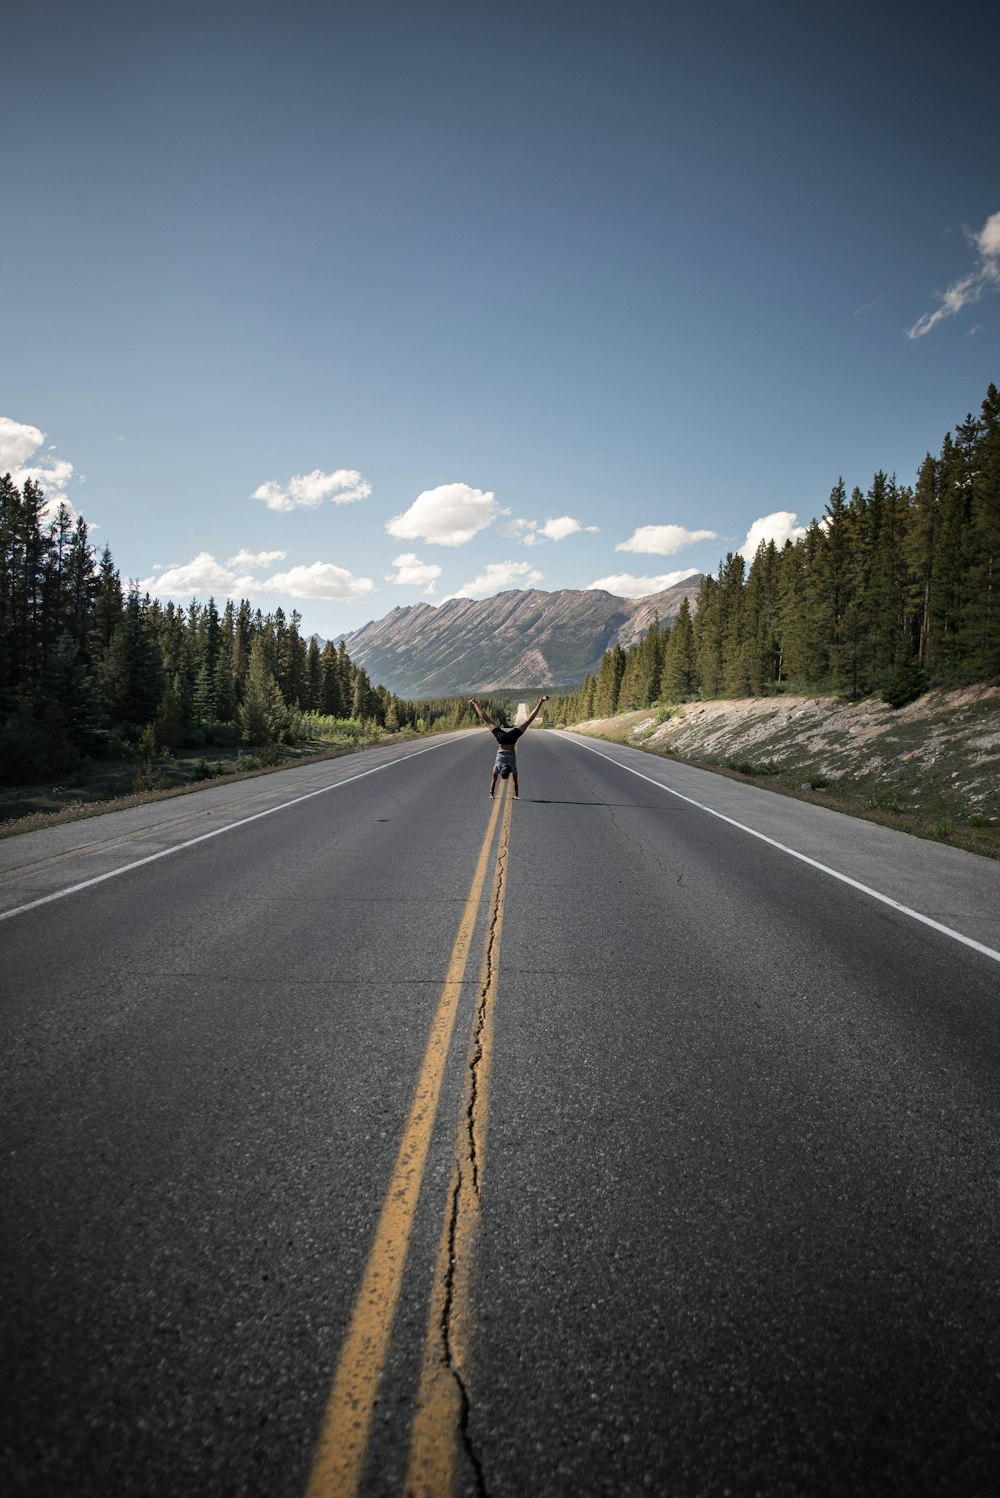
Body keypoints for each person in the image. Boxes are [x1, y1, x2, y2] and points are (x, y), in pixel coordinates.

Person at [469, 695, 549, 800]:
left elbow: (515, 782)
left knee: (527, 722)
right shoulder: (497, 767)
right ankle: (474, 703)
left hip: (511, 740)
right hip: (502, 740)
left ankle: (540, 702)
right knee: (488, 721)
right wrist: (491, 794)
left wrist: (515, 795)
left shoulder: (512, 768)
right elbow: (494, 781)